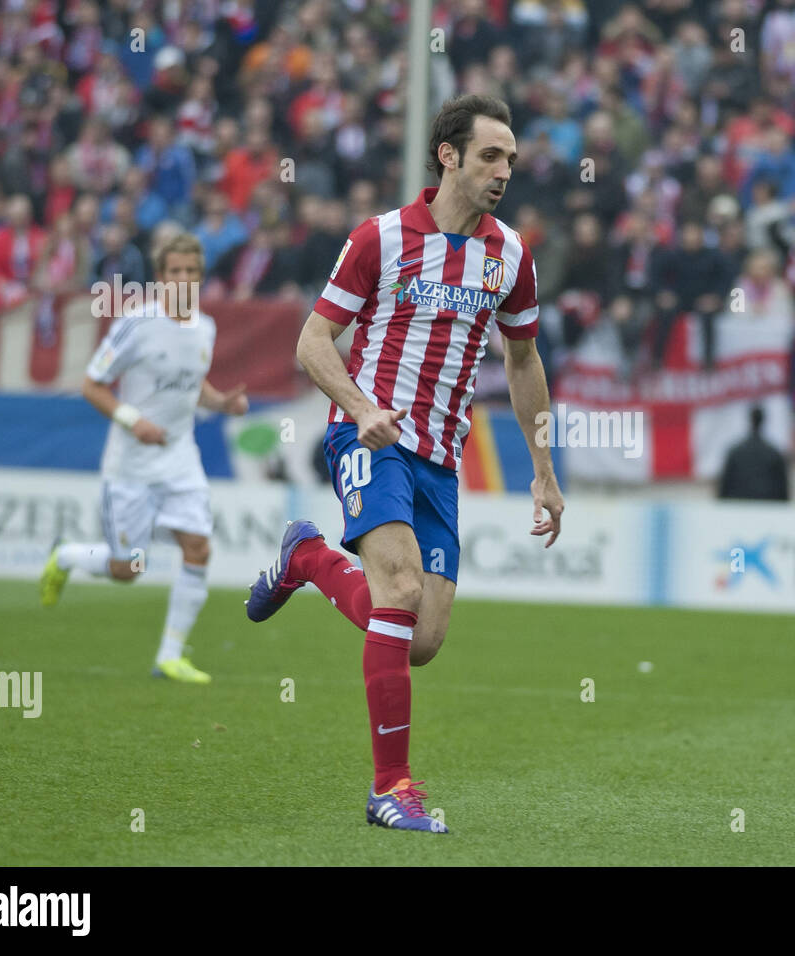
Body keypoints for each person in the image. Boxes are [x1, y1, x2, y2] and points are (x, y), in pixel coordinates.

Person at [244, 95, 564, 834]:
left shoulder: (511, 256)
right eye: (491, 154)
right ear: (448, 155)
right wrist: (360, 410)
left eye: (511, 158)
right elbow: (313, 342)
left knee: (419, 640)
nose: (504, 170)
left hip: (440, 459)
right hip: (369, 440)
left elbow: (524, 359)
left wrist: (543, 466)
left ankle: (309, 558)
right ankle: (391, 788)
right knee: (400, 585)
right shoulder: (379, 239)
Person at [39, 233, 250, 683]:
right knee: (128, 568)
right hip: (131, 464)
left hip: (180, 455)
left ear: (200, 276)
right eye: (175, 271)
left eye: (191, 272)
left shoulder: (205, 328)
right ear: (160, 277)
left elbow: (196, 386)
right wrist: (134, 420)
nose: (183, 279)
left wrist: (222, 404)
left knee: (198, 546)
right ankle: (68, 555)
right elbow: (92, 384)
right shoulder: (137, 324)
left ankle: (170, 656)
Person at [717, 406, 788, 501]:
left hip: (738, 507)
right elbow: (783, 491)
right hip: (766, 508)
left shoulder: (735, 452)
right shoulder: (774, 454)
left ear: (750, 420)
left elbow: (724, 487)